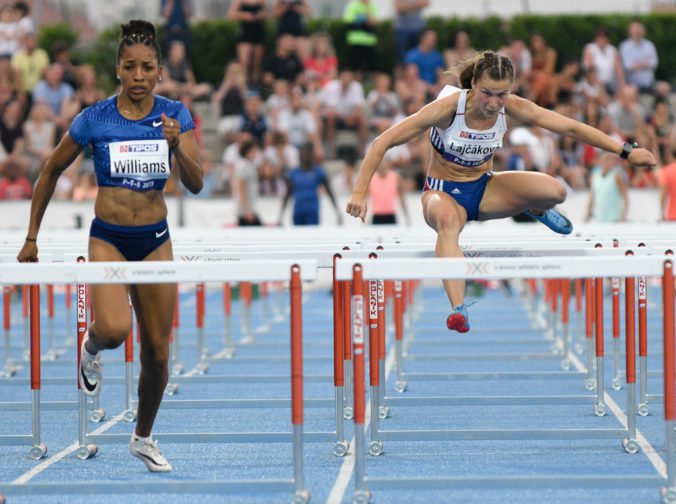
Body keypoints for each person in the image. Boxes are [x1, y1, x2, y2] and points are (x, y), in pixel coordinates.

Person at [345, 50, 656, 333]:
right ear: (474, 84)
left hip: (485, 188)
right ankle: (458, 308)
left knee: (557, 191)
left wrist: (625, 151)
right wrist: (359, 193)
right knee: (448, 223)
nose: (494, 102)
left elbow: (571, 128)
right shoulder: (446, 110)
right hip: (443, 193)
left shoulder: (514, 107)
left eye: (502, 95)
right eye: (487, 94)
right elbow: (381, 143)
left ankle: (534, 207)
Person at [17, 19, 203, 472]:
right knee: (116, 330)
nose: (139, 76)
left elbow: (196, 183)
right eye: (130, 67)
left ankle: (143, 437)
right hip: (109, 238)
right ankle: (92, 347)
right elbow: (50, 170)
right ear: (118, 70)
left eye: (147, 68)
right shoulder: (93, 118)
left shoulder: (175, 114)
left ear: (159, 72)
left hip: (156, 238)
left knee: (158, 354)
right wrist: (31, 237)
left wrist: (177, 147)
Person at [278, 141, 342, 225]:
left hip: (312, 212)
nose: (306, 155)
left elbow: (330, 192)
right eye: (304, 152)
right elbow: (287, 194)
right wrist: (281, 216)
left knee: (312, 237)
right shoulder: (294, 173)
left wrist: (337, 212)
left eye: (308, 152)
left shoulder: (319, 172)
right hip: (298, 212)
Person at [228, 0, 268, 86]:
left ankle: (255, 85)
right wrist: (244, 15)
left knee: (257, 63)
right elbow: (231, 14)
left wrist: (261, 15)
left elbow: (266, 13)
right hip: (245, 33)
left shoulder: (261, 1)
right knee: (244, 63)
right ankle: (244, 85)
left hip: (258, 32)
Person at [586, 152, 629, 222]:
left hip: (614, 219)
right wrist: (587, 214)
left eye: (610, 159)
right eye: (606, 159)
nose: (608, 162)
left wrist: (623, 217)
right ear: (600, 160)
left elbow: (625, 198)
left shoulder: (617, 176)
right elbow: (592, 198)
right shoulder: (594, 176)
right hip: (598, 219)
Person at [619, 21, 658, 94]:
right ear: (630, 32)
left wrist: (637, 64)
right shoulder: (625, 46)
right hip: (631, 83)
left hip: (650, 82)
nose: (638, 32)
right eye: (635, 30)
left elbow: (654, 63)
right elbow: (627, 66)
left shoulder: (649, 45)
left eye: (639, 30)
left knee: (664, 88)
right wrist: (645, 63)